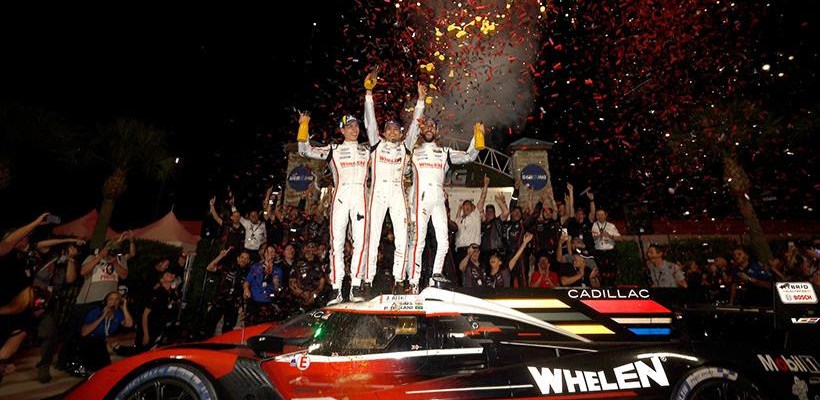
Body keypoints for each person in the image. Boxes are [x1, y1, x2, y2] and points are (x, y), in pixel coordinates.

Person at [363, 69, 426, 289]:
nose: (392, 132)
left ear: (400, 133)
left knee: (402, 237)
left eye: (396, 129)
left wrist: (421, 101)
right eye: (388, 129)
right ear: (384, 132)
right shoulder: (376, 144)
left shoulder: (405, 147)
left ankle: (399, 279)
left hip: (397, 194)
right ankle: (367, 280)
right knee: (372, 237)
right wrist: (368, 94)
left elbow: (416, 126)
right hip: (377, 194)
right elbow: (370, 122)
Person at [297, 112, 369, 303]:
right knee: (336, 244)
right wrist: (303, 126)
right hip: (341, 199)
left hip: (360, 199)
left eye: (356, 126)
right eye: (350, 126)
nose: (354, 129)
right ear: (342, 130)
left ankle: (356, 285)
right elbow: (305, 150)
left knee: (361, 243)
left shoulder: (367, 150)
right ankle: (336, 288)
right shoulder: (333, 149)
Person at [407, 119, 480, 292]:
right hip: (420, 201)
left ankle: (435, 276)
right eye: (426, 126)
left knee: (444, 242)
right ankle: (413, 282)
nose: (429, 128)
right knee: (418, 242)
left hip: (438, 201)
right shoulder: (413, 151)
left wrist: (478, 137)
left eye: (433, 126)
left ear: (437, 131)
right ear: (420, 129)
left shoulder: (444, 152)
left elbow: (469, 156)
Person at [74, 291, 133, 374]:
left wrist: (124, 308)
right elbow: (84, 333)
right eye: (111, 299)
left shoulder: (117, 313)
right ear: (106, 301)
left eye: (117, 299)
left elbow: (129, 324)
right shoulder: (96, 312)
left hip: (103, 341)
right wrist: (102, 316)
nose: (114, 302)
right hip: (90, 340)